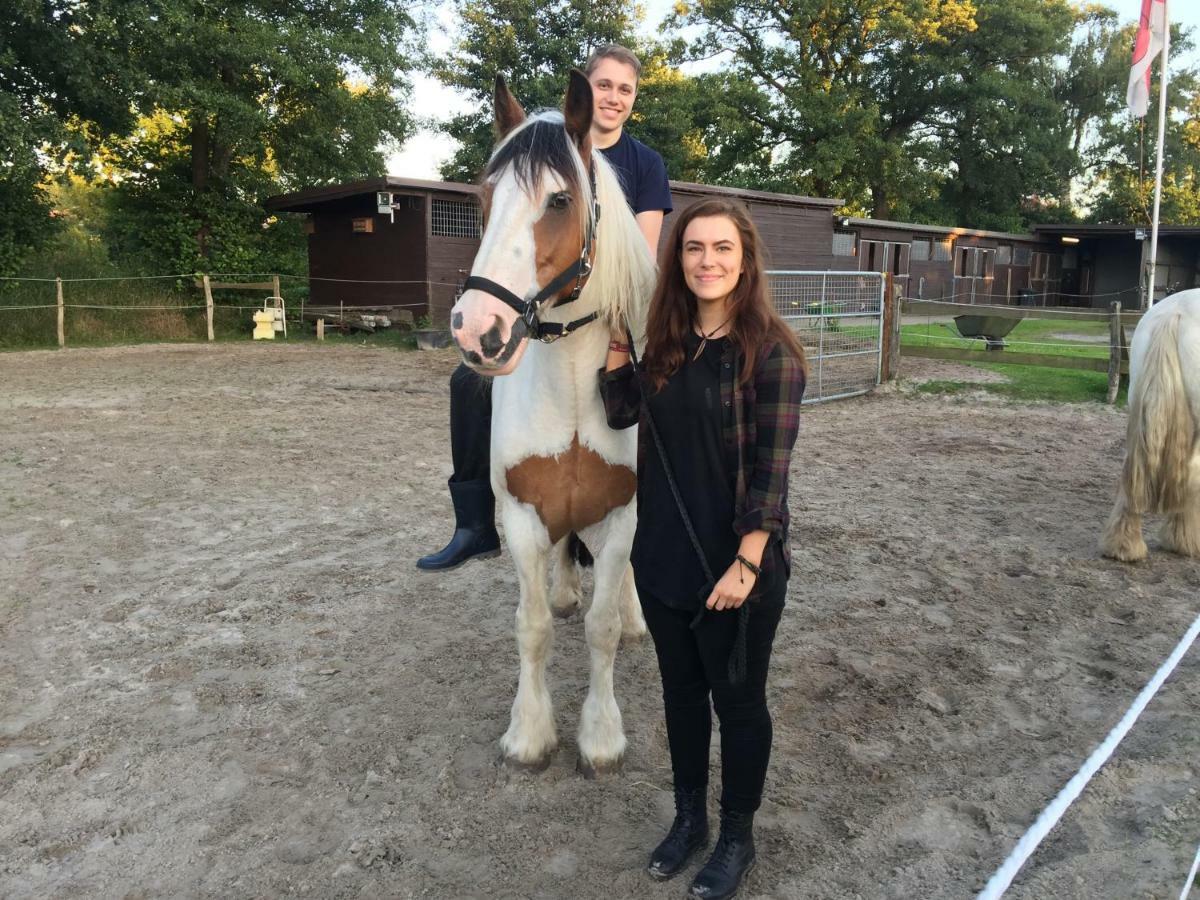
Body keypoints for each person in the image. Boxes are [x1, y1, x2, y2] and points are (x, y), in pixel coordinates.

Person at [598, 198, 806, 899]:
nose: (706, 261)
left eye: (721, 248)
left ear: (744, 259)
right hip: (662, 562)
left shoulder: (771, 353)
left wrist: (748, 562)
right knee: (682, 696)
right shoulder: (666, 344)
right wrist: (618, 339)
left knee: (739, 703)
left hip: (735, 569)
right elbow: (623, 410)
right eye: (693, 249)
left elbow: (772, 475)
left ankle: (736, 837)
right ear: (678, 260)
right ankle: (688, 818)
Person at [417, 44, 672, 570]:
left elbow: (642, 259)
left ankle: (665, 513)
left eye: (626, 89)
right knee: (468, 383)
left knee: (671, 386)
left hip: (608, 312)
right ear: (586, 90)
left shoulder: (644, 164)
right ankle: (473, 523)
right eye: (604, 85)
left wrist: (625, 337)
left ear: (634, 99)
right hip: (544, 309)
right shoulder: (541, 149)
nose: (614, 97)